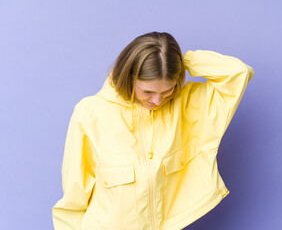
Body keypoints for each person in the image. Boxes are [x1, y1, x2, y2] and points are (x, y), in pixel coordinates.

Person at [52, 31, 254, 230]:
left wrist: (179, 60)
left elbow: (238, 73)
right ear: (127, 76)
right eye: (147, 91)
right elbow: (73, 198)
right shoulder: (90, 113)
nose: (157, 100)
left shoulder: (187, 104)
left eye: (167, 90)